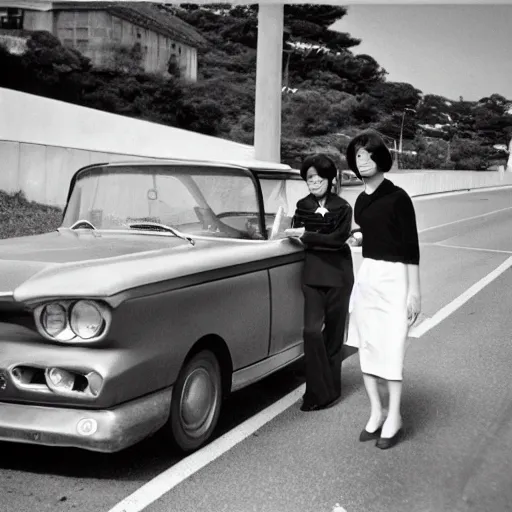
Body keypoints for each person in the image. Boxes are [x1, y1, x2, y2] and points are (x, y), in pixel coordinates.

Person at [345, 129, 421, 449]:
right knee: (367, 345)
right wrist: (358, 239)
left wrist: (414, 292)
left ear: (380, 158)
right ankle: (376, 412)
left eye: (368, 155)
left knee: (390, 348)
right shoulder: (360, 201)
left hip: (395, 278)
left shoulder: (398, 198)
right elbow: (370, 233)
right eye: (358, 156)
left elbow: (410, 246)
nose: (363, 161)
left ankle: (395, 416)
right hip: (369, 275)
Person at [286, 154, 354, 412]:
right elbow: (296, 233)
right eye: (309, 177)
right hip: (313, 275)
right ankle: (319, 391)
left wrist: (309, 236)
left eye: (318, 177)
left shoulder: (344, 207)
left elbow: (338, 239)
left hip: (339, 276)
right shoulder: (302, 205)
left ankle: (328, 392)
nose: (313, 181)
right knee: (312, 332)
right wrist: (310, 237)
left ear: (330, 178)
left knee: (334, 336)